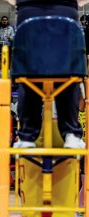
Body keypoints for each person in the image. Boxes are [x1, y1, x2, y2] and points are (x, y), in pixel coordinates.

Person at [8, 0, 86, 149]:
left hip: (28, 16)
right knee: (69, 77)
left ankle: (27, 135)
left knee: (27, 77)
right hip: (66, 15)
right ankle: (71, 133)